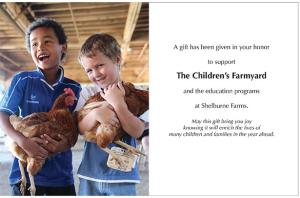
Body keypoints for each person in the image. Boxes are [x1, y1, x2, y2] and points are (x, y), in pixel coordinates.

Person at [0, 17, 81, 195]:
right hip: (25, 175)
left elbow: (76, 127)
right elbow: (3, 115)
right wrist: (23, 141)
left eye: (47, 41)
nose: (40, 48)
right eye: (34, 44)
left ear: (63, 47)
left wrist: (63, 145)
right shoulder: (23, 80)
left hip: (61, 176)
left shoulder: (74, 88)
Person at [75, 33, 149, 196]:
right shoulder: (87, 93)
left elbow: (137, 131)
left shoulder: (137, 94)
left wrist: (118, 103)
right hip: (90, 174)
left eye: (100, 65)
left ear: (117, 59)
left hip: (122, 177)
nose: (95, 74)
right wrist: (95, 114)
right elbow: (80, 128)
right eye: (89, 70)